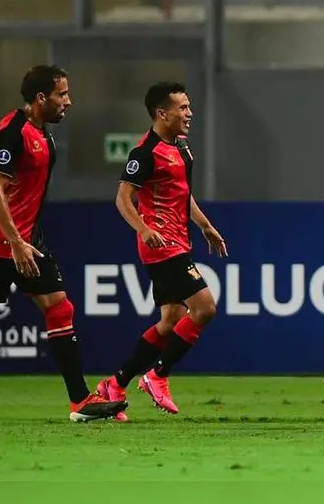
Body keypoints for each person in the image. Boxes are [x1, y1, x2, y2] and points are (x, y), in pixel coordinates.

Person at [0, 65, 127, 424]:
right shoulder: (12, 131)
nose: (68, 101)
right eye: (61, 94)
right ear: (41, 98)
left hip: (28, 241)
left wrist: (24, 241)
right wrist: (15, 242)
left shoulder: (42, 133)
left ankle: (80, 401)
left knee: (60, 308)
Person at [98, 81, 227, 421]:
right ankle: (157, 375)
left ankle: (114, 384)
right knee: (205, 307)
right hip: (161, 247)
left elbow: (182, 194)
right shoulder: (145, 153)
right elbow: (123, 198)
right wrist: (144, 228)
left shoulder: (181, 147)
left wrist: (205, 225)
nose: (189, 113)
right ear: (162, 114)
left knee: (170, 323)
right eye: (182, 108)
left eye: (189, 106)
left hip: (180, 241)